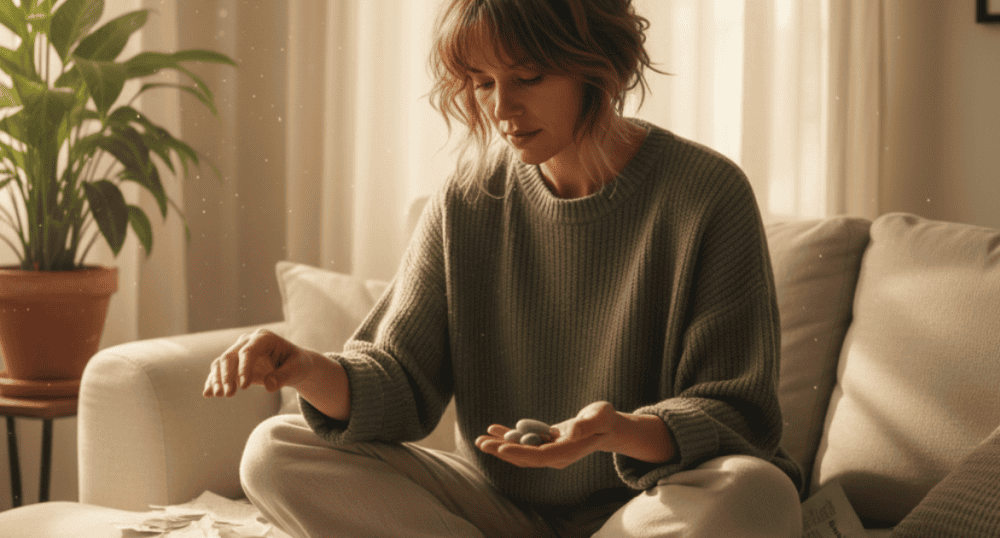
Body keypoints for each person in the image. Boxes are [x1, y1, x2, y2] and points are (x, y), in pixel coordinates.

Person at [203, 0, 803, 536]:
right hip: (494, 508)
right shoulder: (467, 198)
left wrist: (617, 431)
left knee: (755, 491)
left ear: (599, 64)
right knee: (275, 449)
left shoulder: (707, 193)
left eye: (528, 76)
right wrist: (305, 368)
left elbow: (738, 415)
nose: (501, 107)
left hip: (644, 508)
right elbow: (401, 382)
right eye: (482, 82)